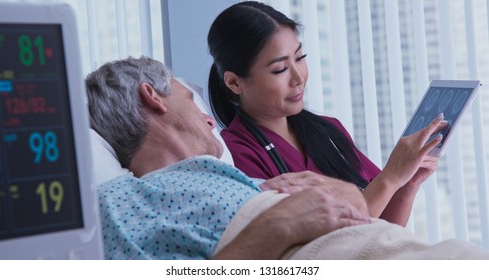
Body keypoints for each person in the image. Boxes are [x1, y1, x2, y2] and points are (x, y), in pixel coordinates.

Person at [86, 56, 489, 260]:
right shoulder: (122, 200)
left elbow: (353, 214)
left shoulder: (233, 176)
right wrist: (278, 224)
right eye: (189, 99)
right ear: (151, 97)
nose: (207, 117)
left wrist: (351, 193)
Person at [207, 1, 445, 226]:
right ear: (234, 83)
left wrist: (407, 184)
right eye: (280, 69)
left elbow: (383, 227)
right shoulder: (235, 155)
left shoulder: (328, 130)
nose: (299, 78)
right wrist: (391, 178)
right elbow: (331, 241)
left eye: (300, 58)